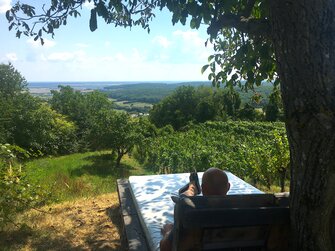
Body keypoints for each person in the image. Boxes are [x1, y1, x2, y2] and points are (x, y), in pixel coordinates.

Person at [160, 168, 230, 251]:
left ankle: (192, 188)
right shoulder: (242, 210)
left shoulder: (194, 215)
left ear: (203, 188)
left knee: (182, 201)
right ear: (228, 187)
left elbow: (165, 248)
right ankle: (192, 188)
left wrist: (168, 232)